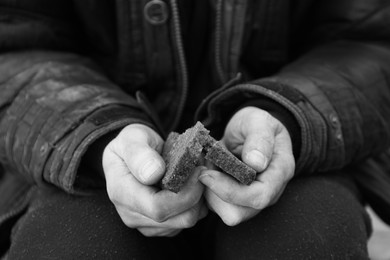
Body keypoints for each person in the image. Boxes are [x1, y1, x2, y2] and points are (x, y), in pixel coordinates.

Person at [0, 0, 390, 259]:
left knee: (311, 244)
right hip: (79, 149)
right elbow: (14, 45)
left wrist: (284, 114)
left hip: (298, 147)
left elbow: (372, 42)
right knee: (68, 247)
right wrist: (99, 139)